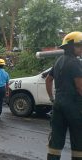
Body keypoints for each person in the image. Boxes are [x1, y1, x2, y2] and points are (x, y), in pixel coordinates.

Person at [45, 31, 82, 160]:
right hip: (74, 107)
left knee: (56, 139)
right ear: (71, 46)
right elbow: (79, 87)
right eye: (79, 45)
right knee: (78, 139)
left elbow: (48, 80)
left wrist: (52, 98)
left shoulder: (58, 61)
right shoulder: (76, 63)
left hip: (58, 105)